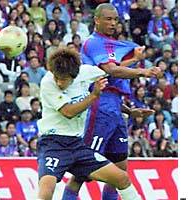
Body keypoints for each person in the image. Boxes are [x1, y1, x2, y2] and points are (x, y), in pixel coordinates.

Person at [63, 3, 161, 200]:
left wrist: (129, 111)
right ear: (96, 20)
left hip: (115, 110)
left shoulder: (108, 44)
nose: (113, 23)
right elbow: (112, 71)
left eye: (115, 19)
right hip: (99, 110)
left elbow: (113, 72)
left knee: (120, 168)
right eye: (108, 19)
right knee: (82, 172)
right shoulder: (93, 42)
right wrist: (144, 71)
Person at [36, 48, 142, 200]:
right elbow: (68, 112)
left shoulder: (85, 72)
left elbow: (113, 70)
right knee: (46, 191)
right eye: (57, 78)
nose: (59, 82)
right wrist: (94, 96)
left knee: (122, 178)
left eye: (63, 79)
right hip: (53, 144)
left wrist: (136, 63)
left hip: (78, 145)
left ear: (75, 75)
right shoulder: (48, 82)